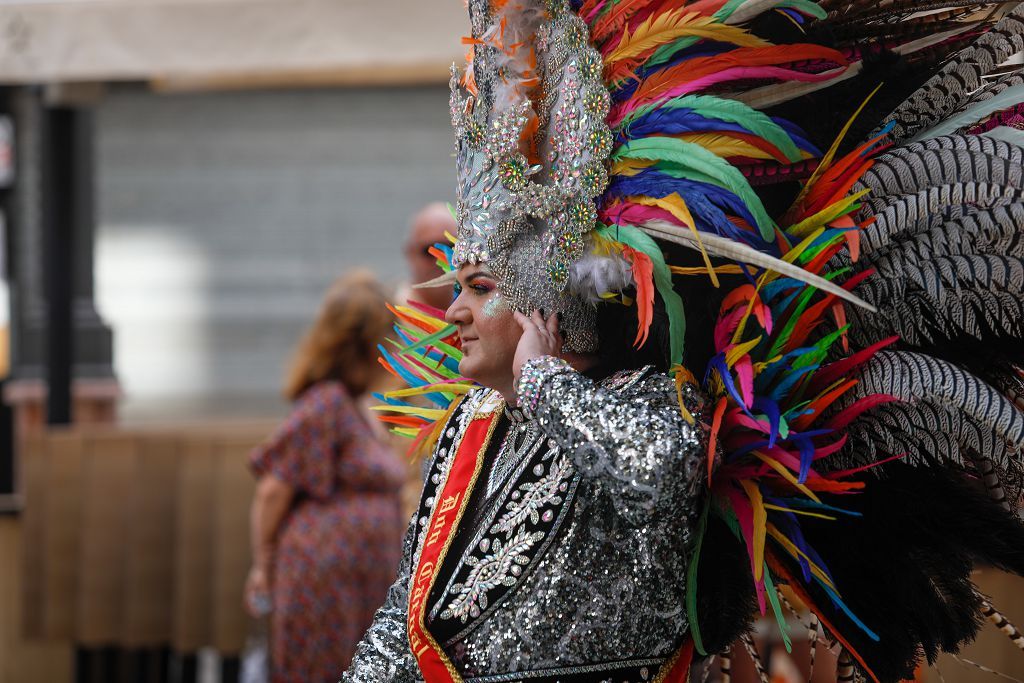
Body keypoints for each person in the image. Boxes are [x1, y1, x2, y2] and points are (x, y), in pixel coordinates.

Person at [344, 0, 1024, 681]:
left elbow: (654, 475)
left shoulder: (654, 404)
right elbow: (410, 606)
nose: (453, 310)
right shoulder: (474, 424)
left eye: (481, 287)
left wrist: (545, 380)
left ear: (544, 303)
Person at [245, 270, 406, 682]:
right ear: (367, 345)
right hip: (324, 587)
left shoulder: (358, 406)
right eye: (391, 338)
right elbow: (272, 490)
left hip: (358, 589)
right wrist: (263, 565)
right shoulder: (326, 403)